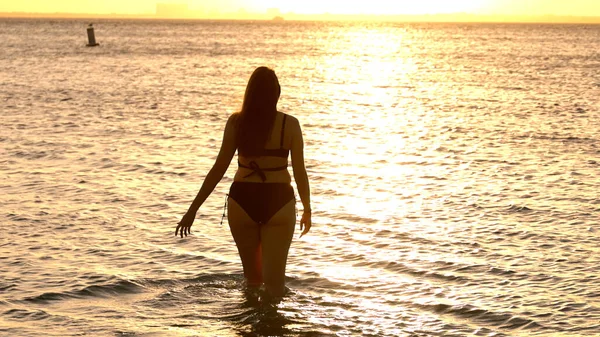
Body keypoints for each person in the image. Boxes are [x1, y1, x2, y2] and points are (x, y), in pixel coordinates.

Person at [175, 66, 312, 298]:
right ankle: (273, 328)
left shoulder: (237, 123)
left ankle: (247, 328)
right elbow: (300, 172)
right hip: (278, 201)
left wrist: (192, 210)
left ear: (249, 93)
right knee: (275, 286)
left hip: (242, 201)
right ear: (276, 93)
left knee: (252, 281)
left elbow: (218, 169)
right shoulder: (290, 125)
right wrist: (307, 209)